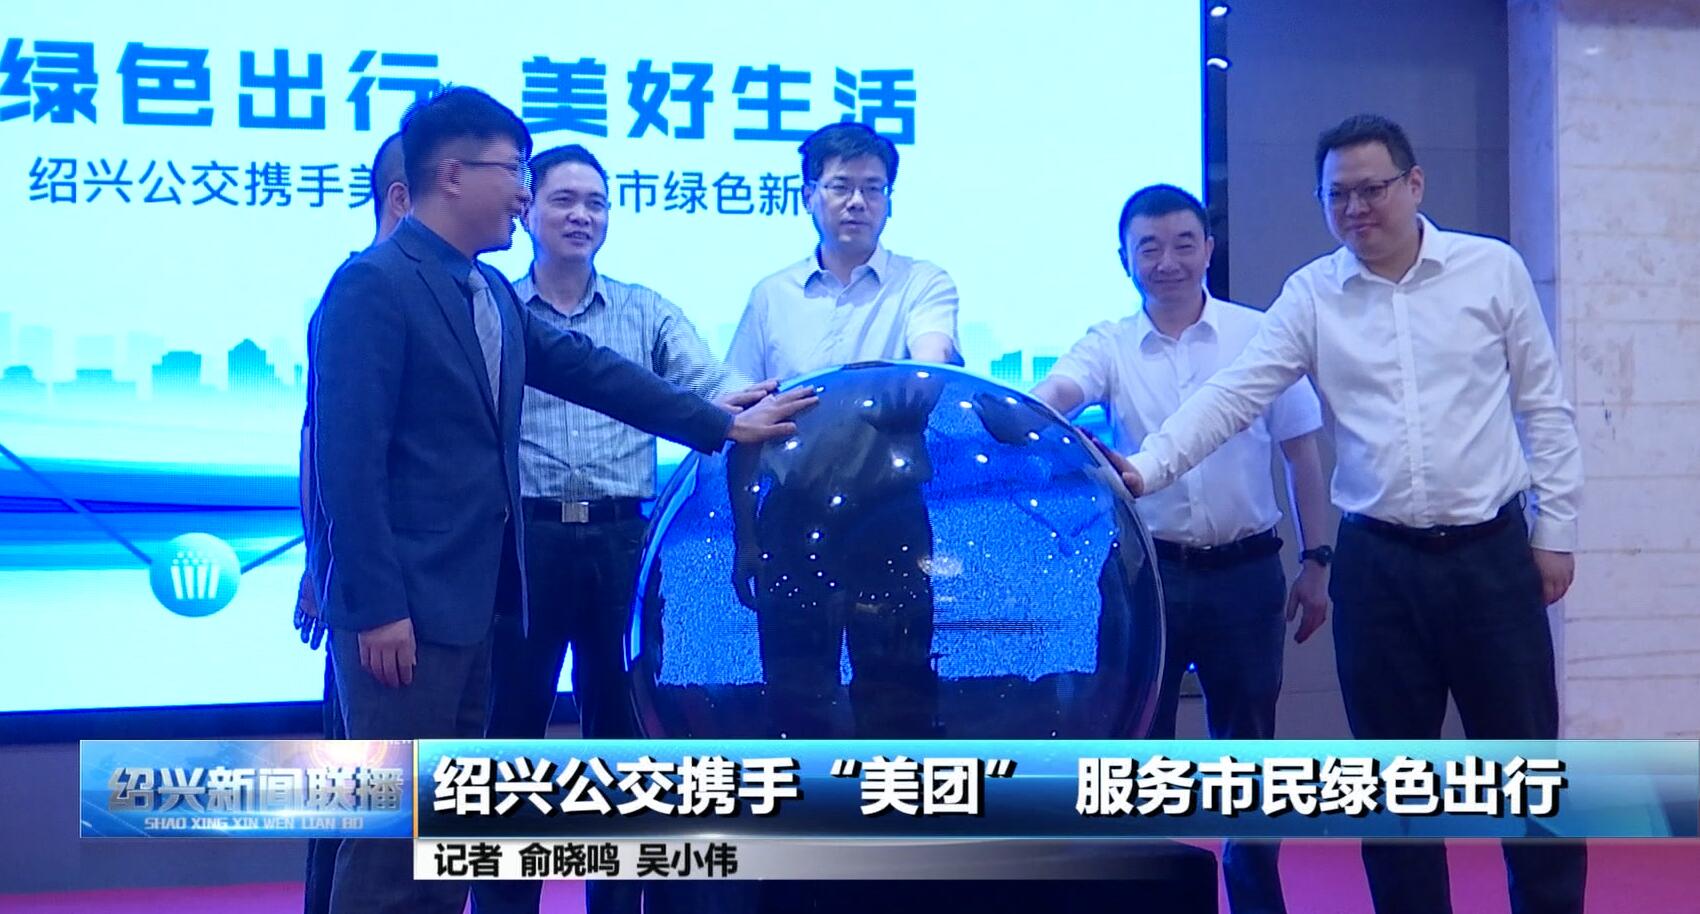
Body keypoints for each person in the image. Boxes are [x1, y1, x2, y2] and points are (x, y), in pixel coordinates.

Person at [307, 86, 813, 914]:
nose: (522, 192)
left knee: (449, 826)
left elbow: (592, 372)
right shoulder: (374, 285)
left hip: (472, 606)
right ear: (451, 174)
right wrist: (376, 607)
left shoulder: (484, 290)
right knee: (395, 836)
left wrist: (721, 423)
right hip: (404, 617)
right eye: (513, 171)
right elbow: (347, 464)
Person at [1111, 115, 1585, 914]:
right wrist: (1149, 466)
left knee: (1528, 776)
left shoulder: (1491, 270)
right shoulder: (1311, 295)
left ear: (1415, 184)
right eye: (1338, 196)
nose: (1356, 208)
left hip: (1493, 557)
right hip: (1378, 567)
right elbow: (1233, 395)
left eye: (1373, 190)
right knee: (1396, 793)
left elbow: (1545, 406)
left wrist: (1556, 529)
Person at [472, 143, 762, 914]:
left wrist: (767, 406)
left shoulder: (646, 311)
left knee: (623, 737)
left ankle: (617, 901)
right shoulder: (496, 309)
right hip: (524, 544)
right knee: (510, 735)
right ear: (527, 209)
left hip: (624, 545)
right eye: (564, 200)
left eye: (596, 202)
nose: (581, 216)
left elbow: (713, 387)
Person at [1032, 183, 1330, 914]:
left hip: (1246, 572)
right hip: (1147, 576)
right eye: (1149, 247)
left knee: (1248, 754)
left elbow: (1302, 456)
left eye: (1183, 244)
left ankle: (1257, 902)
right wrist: (1032, 410)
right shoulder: (1107, 343)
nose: (1167, 261)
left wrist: (1317, 561)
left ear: (1209, 249)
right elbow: (1060, 390)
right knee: (1141, 751)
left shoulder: (1258, 335)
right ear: (1125, 259)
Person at [724, 121, 960, 740]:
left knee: (899, 690)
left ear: (889, 200)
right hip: (792, 513)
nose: (857, 201)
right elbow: (743, 421)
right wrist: (746, 537)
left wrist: (927, 374)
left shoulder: (922, 282)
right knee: (795, 690)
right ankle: (809, 804)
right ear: (809, 195)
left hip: (888, 513)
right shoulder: (770, 296)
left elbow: (932, 354)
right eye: (840, 186)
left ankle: (898, 803)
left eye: (872, 188)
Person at [296, 129, 408, 914]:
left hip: (424, 594)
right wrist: (321, 566)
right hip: (374, 594)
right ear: (404, 197)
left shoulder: (459, 290)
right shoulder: (364, 291)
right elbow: (326, 450)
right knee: (364, 795)